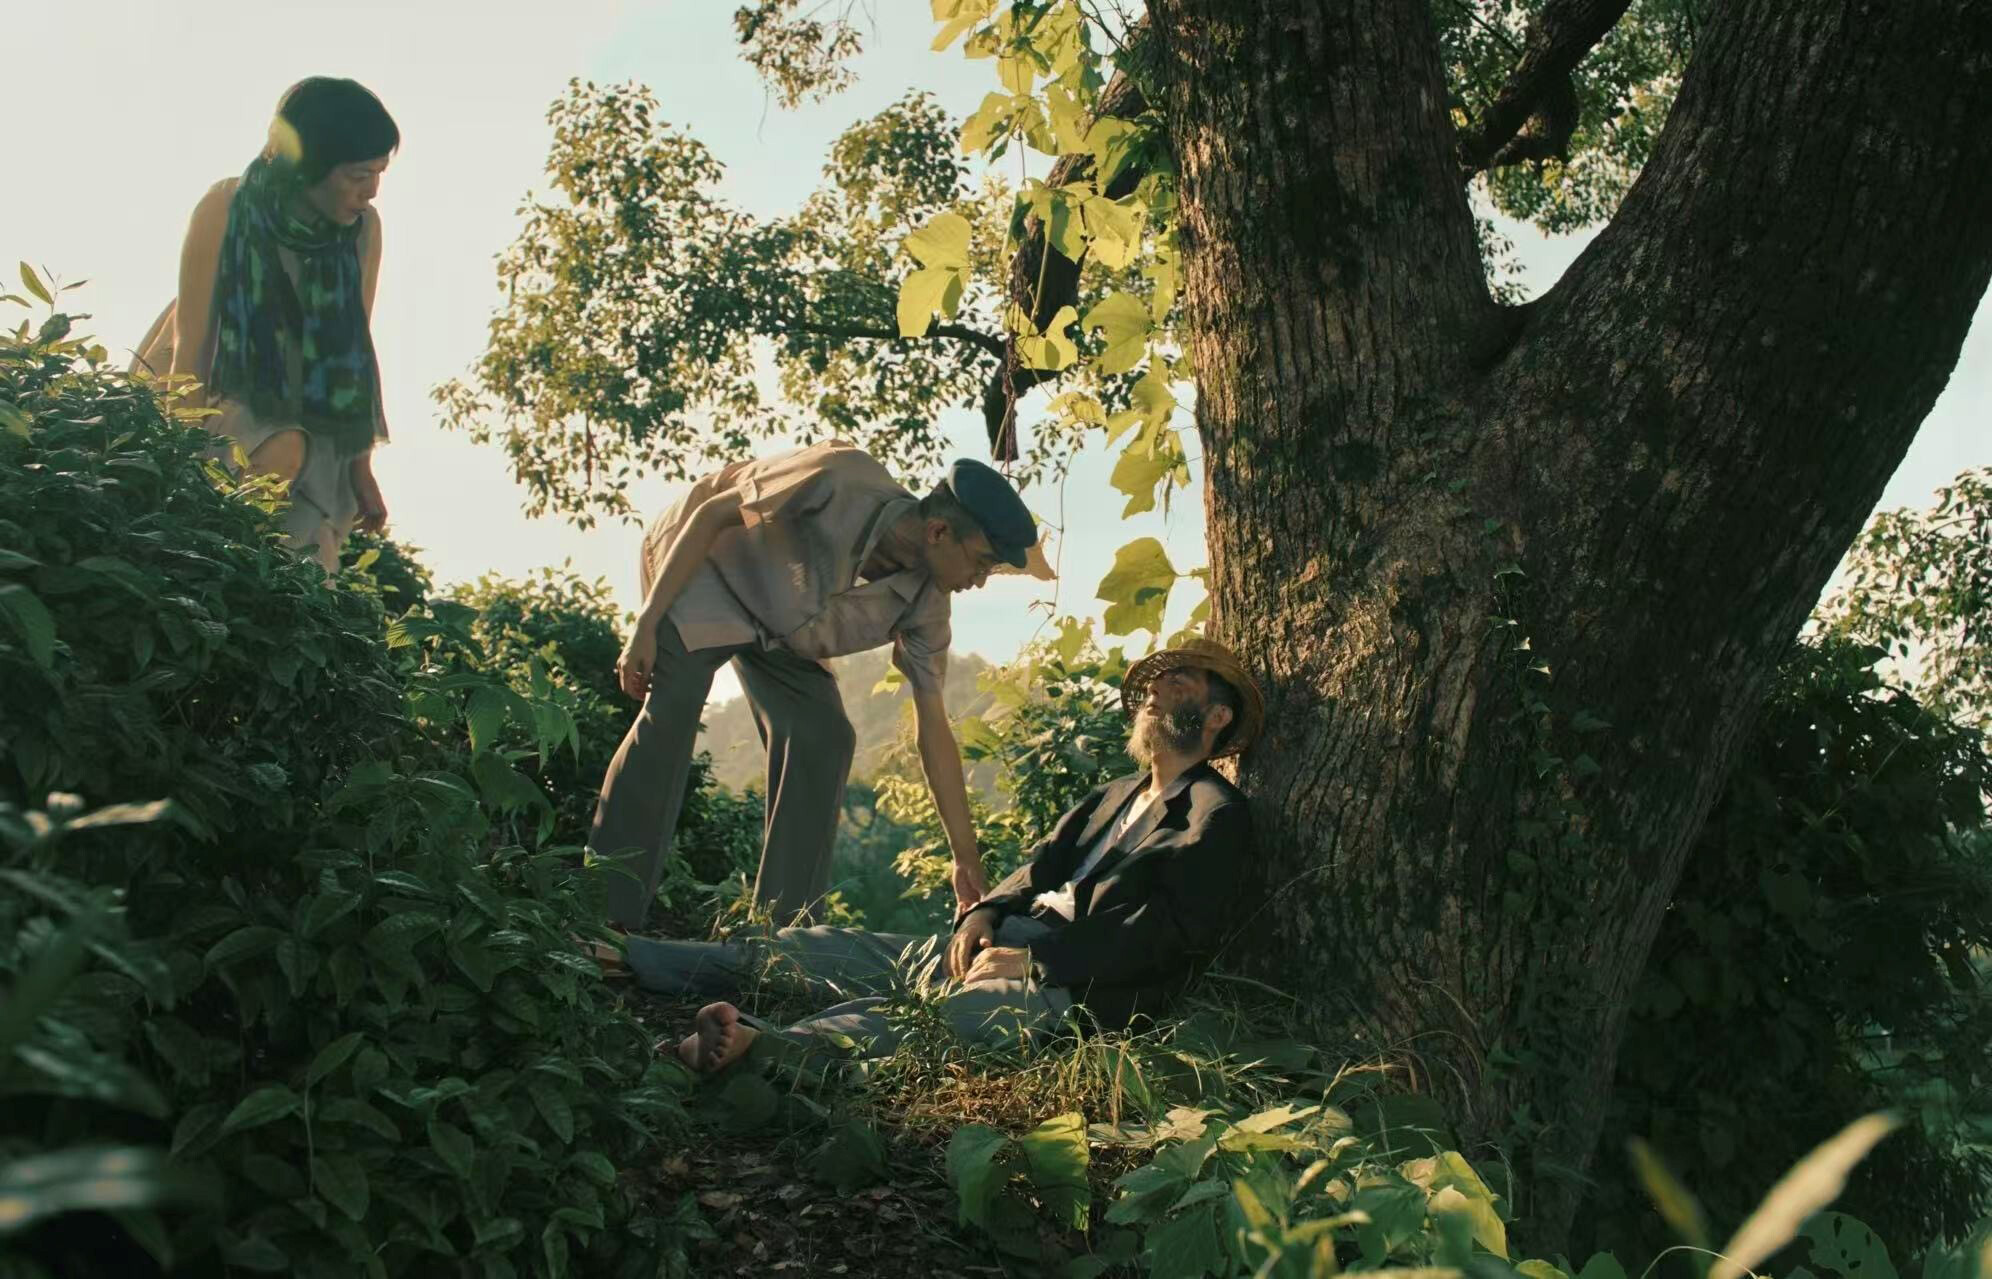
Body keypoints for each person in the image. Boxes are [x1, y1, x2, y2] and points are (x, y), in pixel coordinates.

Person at [630, 638, 1265, 1075]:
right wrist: (982, 916)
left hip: (1075, 988)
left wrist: (1037, 962)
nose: (1153, 693)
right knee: (825, 946)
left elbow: (1168, 937)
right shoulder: (1113, 794)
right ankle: (629, 958)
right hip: (1010, 942)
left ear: (1215, 714)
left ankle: (754, 1046)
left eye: (1176, 683)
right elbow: (1038, 868)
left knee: (932, 1018)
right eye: (1151, 684)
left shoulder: (1215, 814)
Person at [592, 442, 1039, 933]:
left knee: (824, 736)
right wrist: (646, 622)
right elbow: (710, 515)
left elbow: (934, 728)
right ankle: (602, 920)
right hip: (708, 576)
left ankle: (781, 940)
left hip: (784, 630)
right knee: (673, 711)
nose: (979, 581)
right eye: (980, 563)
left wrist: (965, 856)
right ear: (938, 532)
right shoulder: (838, 478)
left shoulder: (927, 605)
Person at [134, 77, 396, 571]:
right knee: (281, 449)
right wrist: (176, 458)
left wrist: (361, 468)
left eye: (380, 172)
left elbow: (352, 355)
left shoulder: (364, 231)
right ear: (312, 165)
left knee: (308, 562)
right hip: (206, 389)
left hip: (305, 402)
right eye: (360, 174)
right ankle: (202, 565)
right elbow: (190, 343)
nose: (372, 191)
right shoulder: (227, 207)